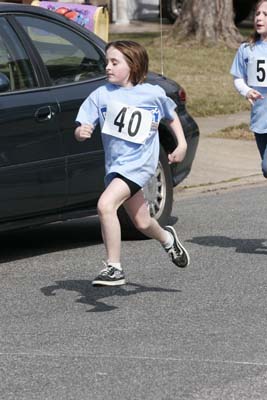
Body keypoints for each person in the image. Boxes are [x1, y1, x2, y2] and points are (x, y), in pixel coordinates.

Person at [74, 40, 190, 287]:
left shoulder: (152, 93)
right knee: (142, 222)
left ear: (133, 65)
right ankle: (167, 239)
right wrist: (81, 131)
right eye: (107, 62)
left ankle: (114, 267)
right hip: (116, 166)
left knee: (105, 205)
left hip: (140, 164)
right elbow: (83, 124)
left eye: (115, 62)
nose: (108, 67)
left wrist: (181, 144)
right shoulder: (101, 94)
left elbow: (171, 118)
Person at [231, 0, 267, 178]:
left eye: (265, 15)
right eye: (257, 13)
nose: (259, 18)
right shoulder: (247, 49)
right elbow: (238, 78)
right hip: (260, 119)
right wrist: (247, 91)